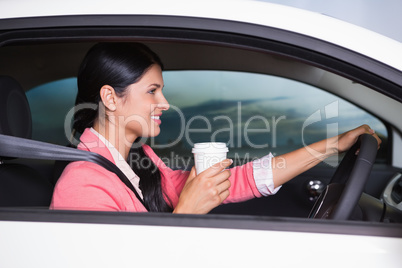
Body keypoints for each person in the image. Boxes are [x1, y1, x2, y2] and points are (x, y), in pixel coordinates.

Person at [50, 42, 381, 214]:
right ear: (110, 97)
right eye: (152, 91)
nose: (164, 103)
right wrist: (188, 210)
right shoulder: (83, 184)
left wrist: (330, 146)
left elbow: (238, 180)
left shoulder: (143, 164)